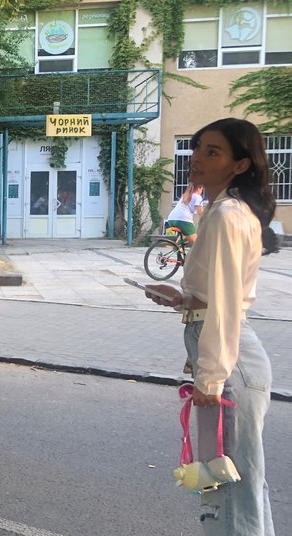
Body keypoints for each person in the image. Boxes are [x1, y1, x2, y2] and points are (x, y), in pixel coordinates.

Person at [145, 118, 277, 535]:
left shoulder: (225, 215)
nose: (197, 158)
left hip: (230, 362)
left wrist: (211, 378)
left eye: (212, 152)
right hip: (229, 354)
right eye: (198, 148)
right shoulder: (223, 211)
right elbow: (218, 294)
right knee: (236, 487)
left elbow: (224, 305)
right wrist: (183, 299)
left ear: (240, 165)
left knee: (229, 491)